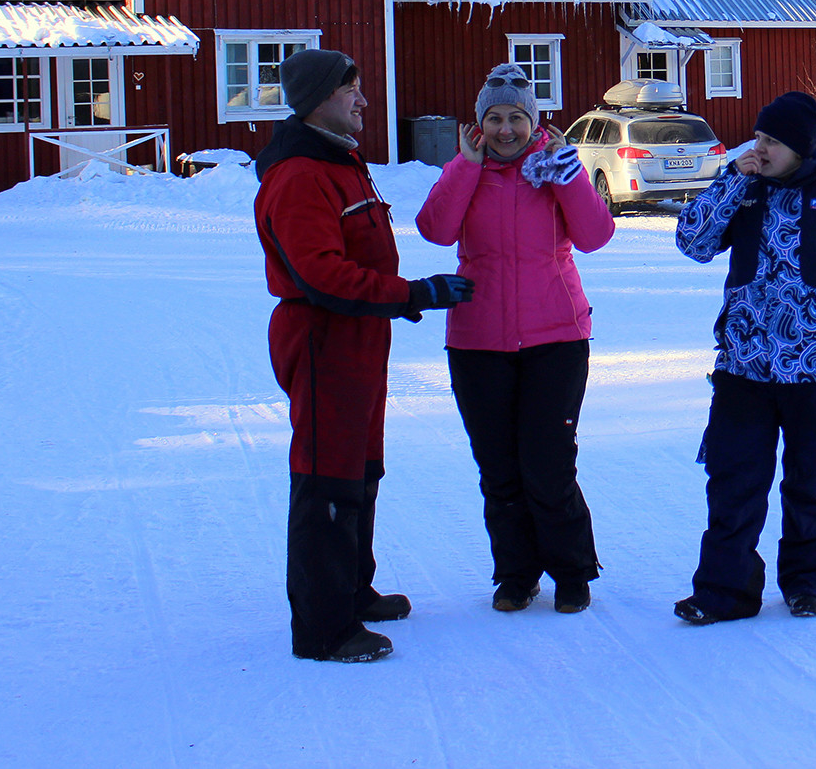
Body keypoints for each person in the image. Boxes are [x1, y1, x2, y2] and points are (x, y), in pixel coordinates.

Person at [254, 49, 475, 663]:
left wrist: (399, 297)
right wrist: (412, 294)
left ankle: (352, 589)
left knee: (359, 464)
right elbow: (321, 274)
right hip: (324, 336)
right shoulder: (301, 174)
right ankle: (324, 628)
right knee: (327, 471)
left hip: (358, 337)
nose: (363, 99)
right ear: (320, 96)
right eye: (352, 89)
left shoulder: (340, 160)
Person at [671, 91, 816, 625]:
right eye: (759, 137)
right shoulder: (743, 190)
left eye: (772, 141)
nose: (759, 148)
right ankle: (724, 591)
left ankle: (807, 582)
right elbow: (692, 243)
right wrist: (730, 180)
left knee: (810, 480)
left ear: (801, 147)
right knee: (732, 480)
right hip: (742, 365)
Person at [415, 63, 616, 616]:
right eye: (495, 119)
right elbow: (434, 229)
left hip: (556, 339)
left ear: (535, 122)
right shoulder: (467, 171)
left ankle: (573, 571)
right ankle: (516, 575)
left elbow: (596, 236)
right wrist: (464, 165)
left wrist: (568, 176)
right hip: (478, 342)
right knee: (499, 468)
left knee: (549, 464)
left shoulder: (553, 170)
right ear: (479, 125)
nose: (506, 130)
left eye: (517, 119)